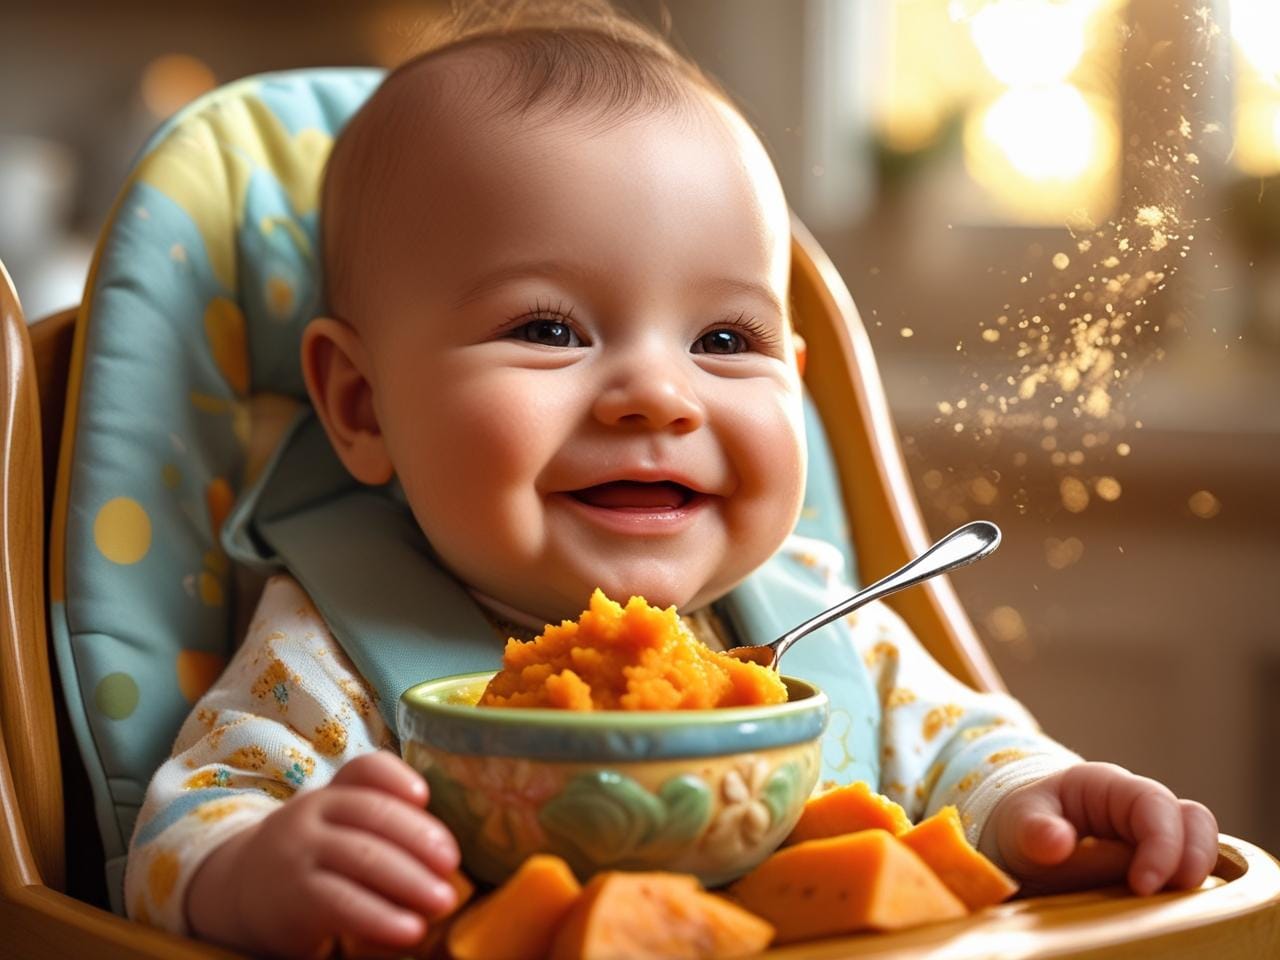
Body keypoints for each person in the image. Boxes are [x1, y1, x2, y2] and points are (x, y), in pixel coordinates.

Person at [123, 2, 1219, 955]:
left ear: (792, 384)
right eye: (547, 328)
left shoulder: (820, 624)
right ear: (361, 407)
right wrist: (262, 875)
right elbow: (182, 833)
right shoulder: (329, 657)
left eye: (725, 340)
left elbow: (957, 749)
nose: (657, 394)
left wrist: (1035, 802)